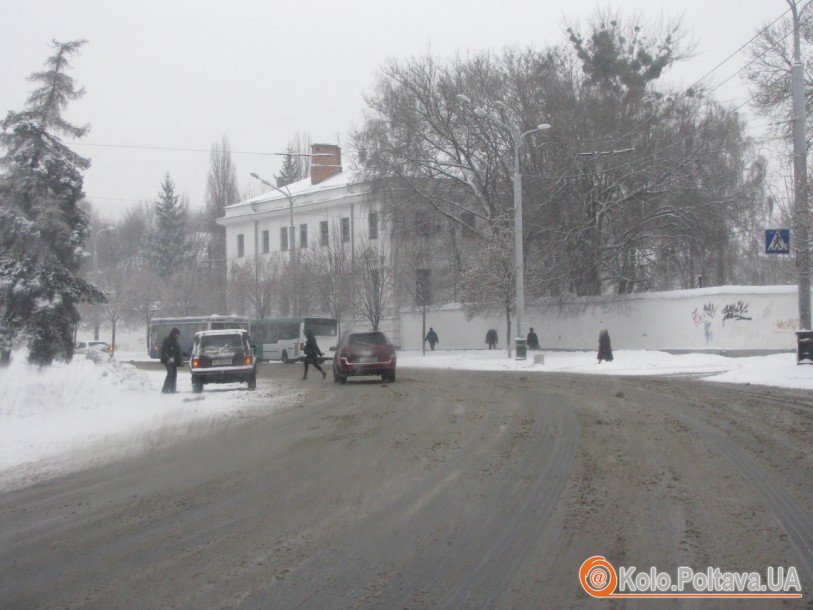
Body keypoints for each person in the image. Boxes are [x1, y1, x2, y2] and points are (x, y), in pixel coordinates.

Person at [160, 327, 182, 393]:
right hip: (167, 360)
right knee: (170, 374)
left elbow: (177, 350)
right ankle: (165, 389)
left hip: (173, 360)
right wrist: (170, 357)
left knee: (174, 374)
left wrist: (185, 354)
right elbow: (165, 350)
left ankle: (173, 389)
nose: (178, 336)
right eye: (177, 334)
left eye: (178, 335)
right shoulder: (167, 340)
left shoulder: (175, 340)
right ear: (174, 334)